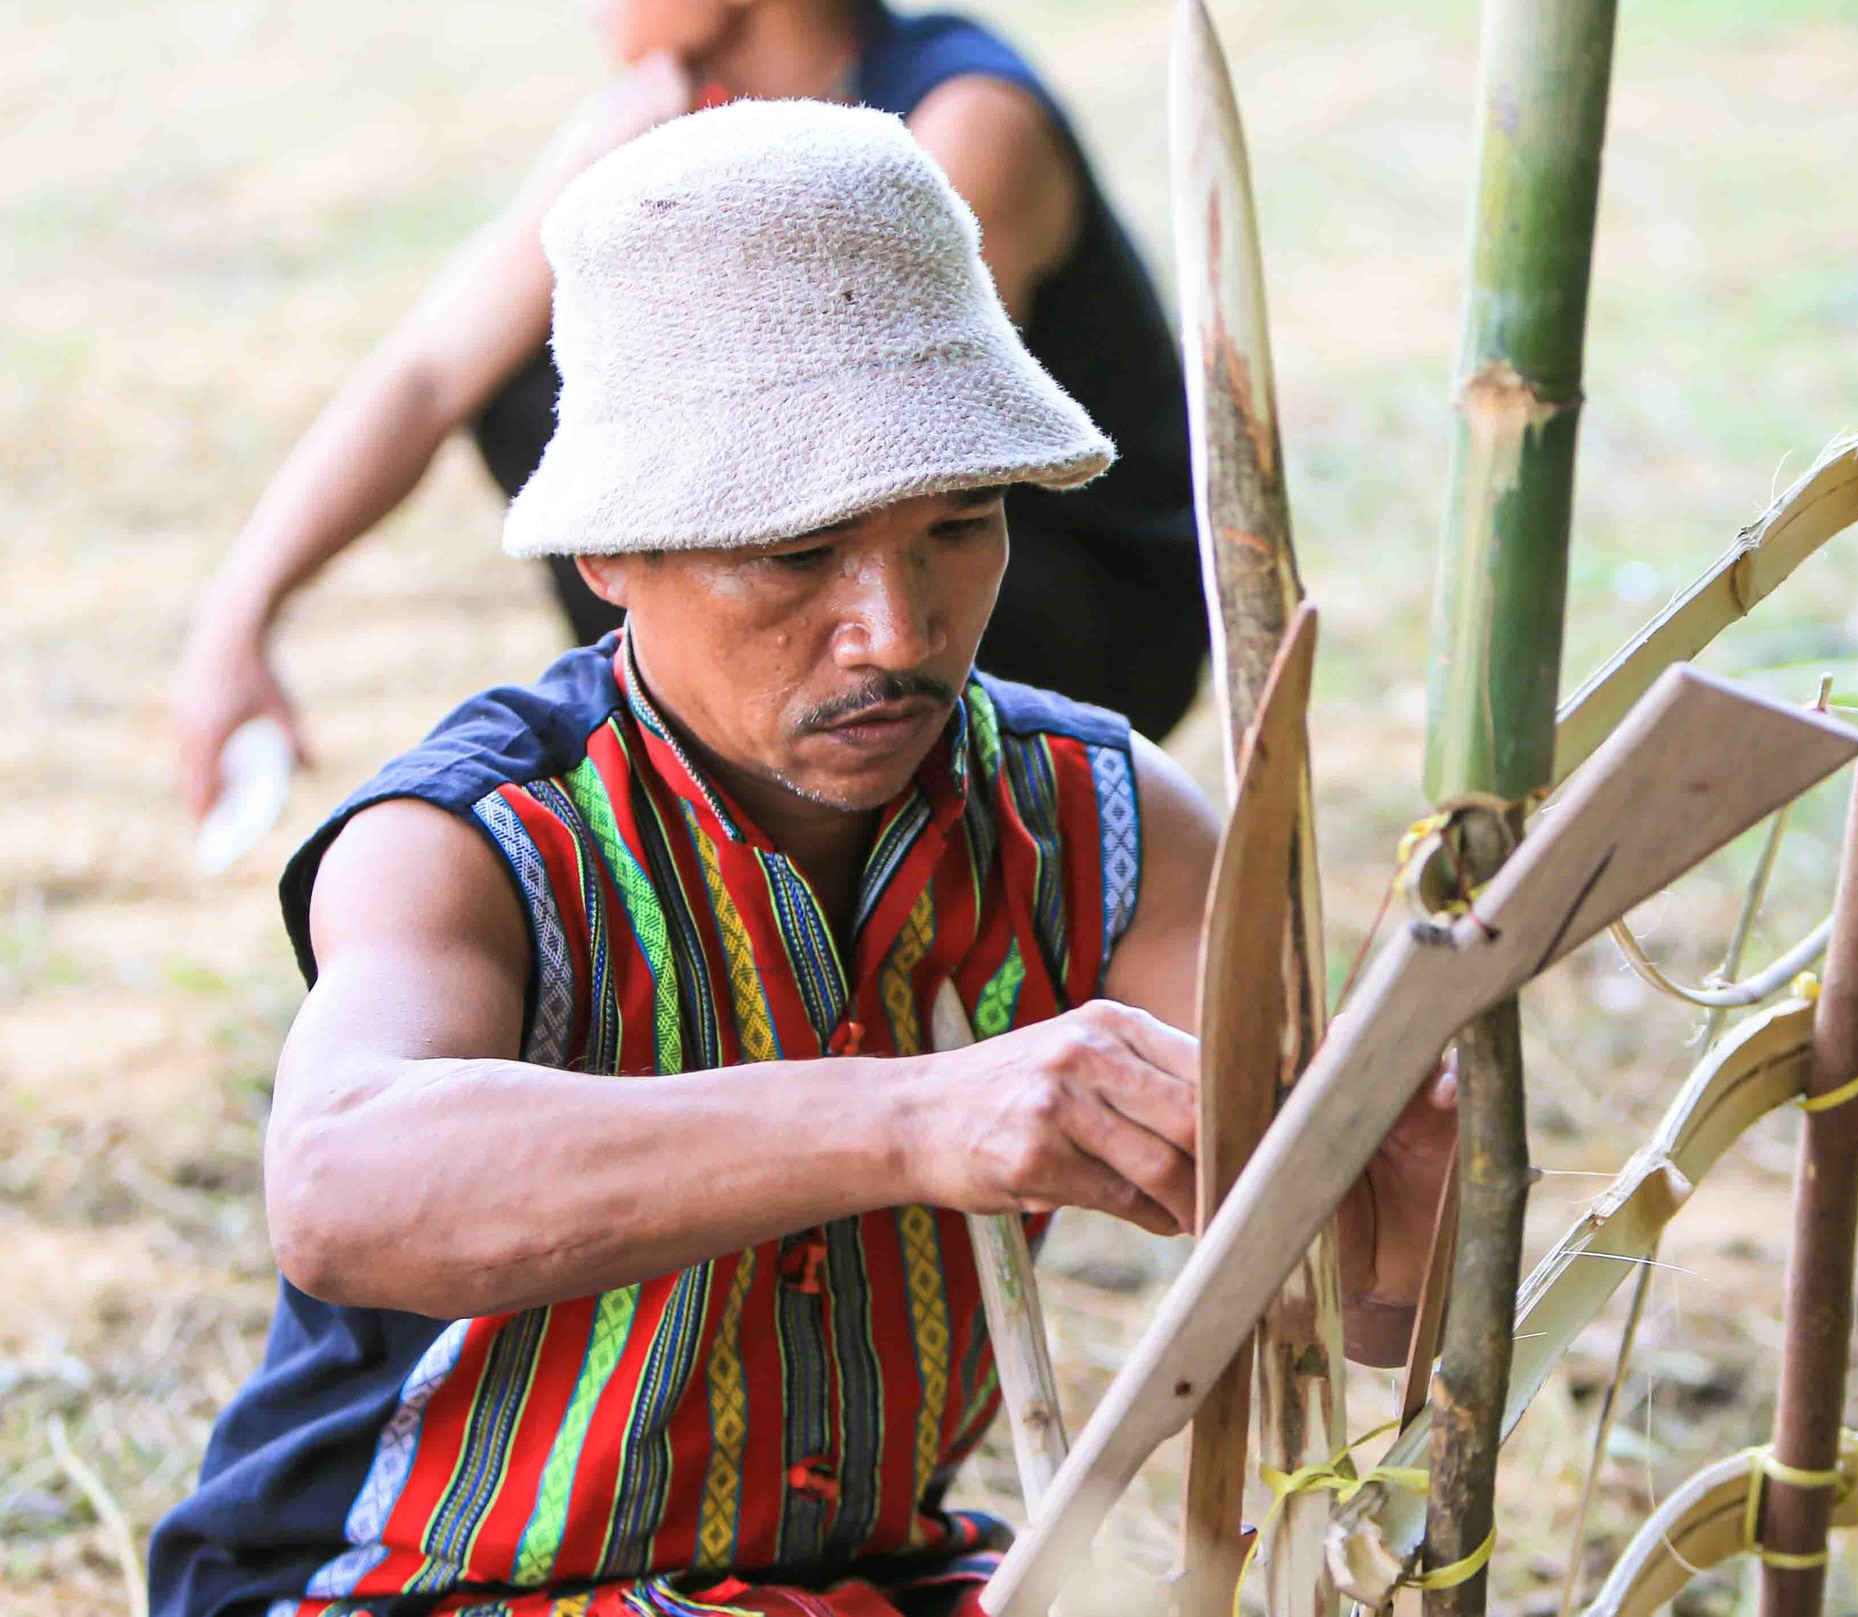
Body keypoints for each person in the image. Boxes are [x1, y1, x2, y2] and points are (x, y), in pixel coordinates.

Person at [152, 103, 1445, 1617]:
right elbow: (341, 1181)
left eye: (960, 526)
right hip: (414, 1587)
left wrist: (1404, 1181)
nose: (899, 635)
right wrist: (909, 1115)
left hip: (856, 1582)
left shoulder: (1101, 822)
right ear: (611, 554)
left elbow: (1360, 1307)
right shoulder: (471, 844)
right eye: (795, 553)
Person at [174, 0, 1211, 825]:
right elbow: (433, 372)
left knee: (664, 432)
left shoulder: (966, 117)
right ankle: (710, 783)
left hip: (1065, 596)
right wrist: (239, 617)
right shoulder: (658, 121)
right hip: (857, 578)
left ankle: (815, 809)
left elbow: (850, 448)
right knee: (538, 380)